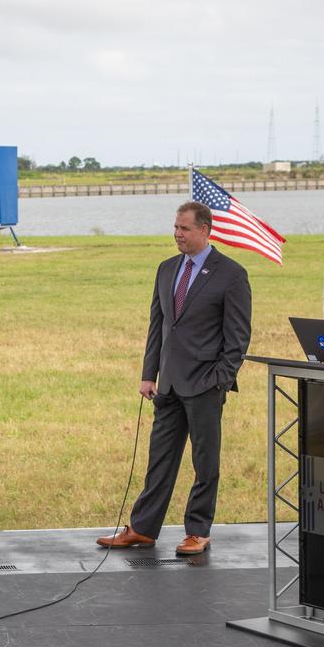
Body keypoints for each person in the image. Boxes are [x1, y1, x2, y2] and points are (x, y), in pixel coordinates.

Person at [96, 201, 252, 556]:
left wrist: (220, 380)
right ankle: (143, 529)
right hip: (166, 385)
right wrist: (148, 374)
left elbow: (238, 337)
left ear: (205, 231)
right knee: (159, 459)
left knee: (205, 462)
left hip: (205, 385)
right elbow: (159, 326)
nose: (177, 234)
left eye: (185, 228)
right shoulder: (166, 269)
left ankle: (198, 530)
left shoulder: (230, 274)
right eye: (176, 227)